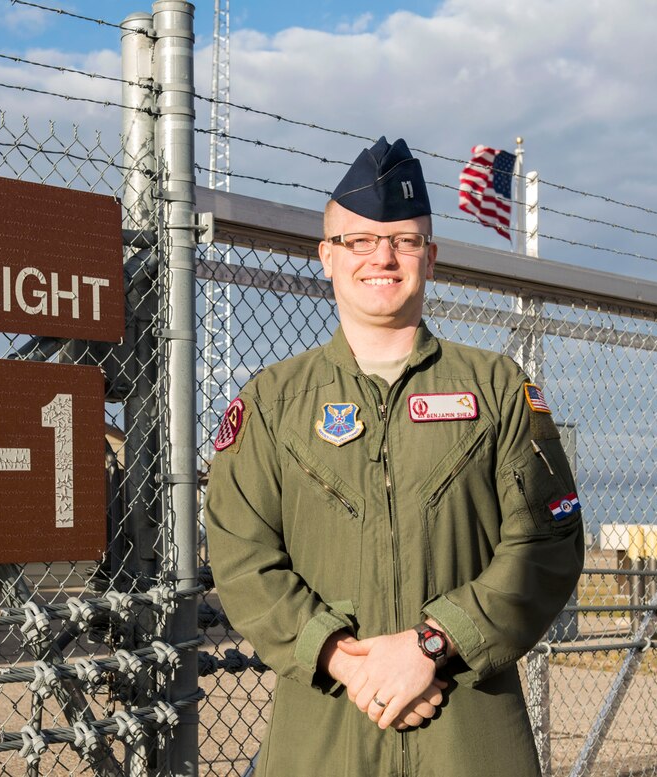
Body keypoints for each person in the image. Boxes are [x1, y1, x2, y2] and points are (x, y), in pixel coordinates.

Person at [204, 137, 584, 776]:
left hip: (469, 740)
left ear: (429, 258)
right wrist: (348, 664)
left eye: (404, 241)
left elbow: (548, 541)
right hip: (323, 741)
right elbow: (242, 555)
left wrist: (432, 647)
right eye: (358, 241)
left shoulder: (496, 388)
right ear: (326, 256)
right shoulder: (272, 402)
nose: (382, 256)